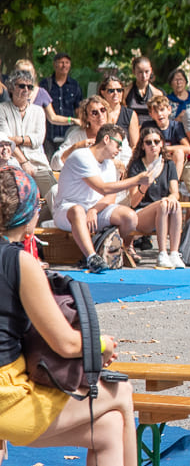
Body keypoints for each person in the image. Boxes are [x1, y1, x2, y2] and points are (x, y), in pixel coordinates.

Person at [0, 166, 138, 466]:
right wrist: (103, 344)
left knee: (108, 429)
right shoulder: (18, 262)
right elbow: (65, 343)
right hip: (6, 398)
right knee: (121, 392)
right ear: (27, 214)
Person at [53, 124, 151, 273]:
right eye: (118, 144)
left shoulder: (109, 164)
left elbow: (111, 196)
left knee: (130, 217)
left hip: (94, 211)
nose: (120, 149)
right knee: (78, 210)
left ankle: (101, 245)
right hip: (67, 211)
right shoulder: (81, 156)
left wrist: (94, 210)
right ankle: (91, 257)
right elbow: (103, 188)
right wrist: (136, 180)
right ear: (106, 139)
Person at [124, 127, 187, 269]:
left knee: (174, 204)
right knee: (163, 205)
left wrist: (171, 198)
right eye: (148, 142)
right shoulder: (136, 166)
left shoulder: (169, 164)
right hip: (141, 213)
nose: (153, 145)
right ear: (142, 146)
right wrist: (144, 185)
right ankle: (162, 253)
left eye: (156, 142)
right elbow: (134, 202)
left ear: (162, 144)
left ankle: (174, 253)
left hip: (163, 210)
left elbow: (175, 192)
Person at [0, 69, 54, 199]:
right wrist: (24, 162)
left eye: (30, 87)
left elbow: (38, 139)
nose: (26, 89)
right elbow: (6, 142)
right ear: (11, 87)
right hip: (12, 163)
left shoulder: (38, 111)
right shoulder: (2, 109)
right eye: (22, 86)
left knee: (55, 192)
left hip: (38, 163)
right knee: (14, 197)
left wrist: (17, 139)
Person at [50, 96, 133, 175]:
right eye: (94, 113)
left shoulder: (117, 133)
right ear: (86, 117)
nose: (100, 115)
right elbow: (55, 164)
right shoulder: (77, 135)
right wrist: (76, 147)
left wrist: (118, 164)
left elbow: (128, 161)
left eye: (103, 110)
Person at [39, 52, 81, 157]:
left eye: (67, 62)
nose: (64, 65)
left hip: (68, 135)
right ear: (55, 64)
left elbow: (78, 109)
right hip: (49, 135)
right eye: (61, 62)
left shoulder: (75, 85)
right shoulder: (45, 84)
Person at [143, 96, 190, 185]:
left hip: (171, 160)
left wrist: (166, 149)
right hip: (153, 159)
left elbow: (187, 148)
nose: (159, 114)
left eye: (162, 110)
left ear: (169, 110)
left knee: (179, 153)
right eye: (155, 112)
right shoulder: (147, 126)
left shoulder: (176, 126)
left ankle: (174, 184)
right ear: (151, 114)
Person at [98, 75, 139, 148]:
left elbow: (134, 145)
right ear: (103, 92)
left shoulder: (130, 114)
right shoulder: (98, 113)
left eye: (119, 90)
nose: (116, 93)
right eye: (111, 91)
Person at [124, 56, 165, 129]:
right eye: (140, 72)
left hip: (151, 129)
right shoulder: (126, 92)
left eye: (147, 71)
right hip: (131, 128)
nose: (143, 76)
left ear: (151, 70)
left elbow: (160, 115)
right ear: (133, 71)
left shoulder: (157, 94)